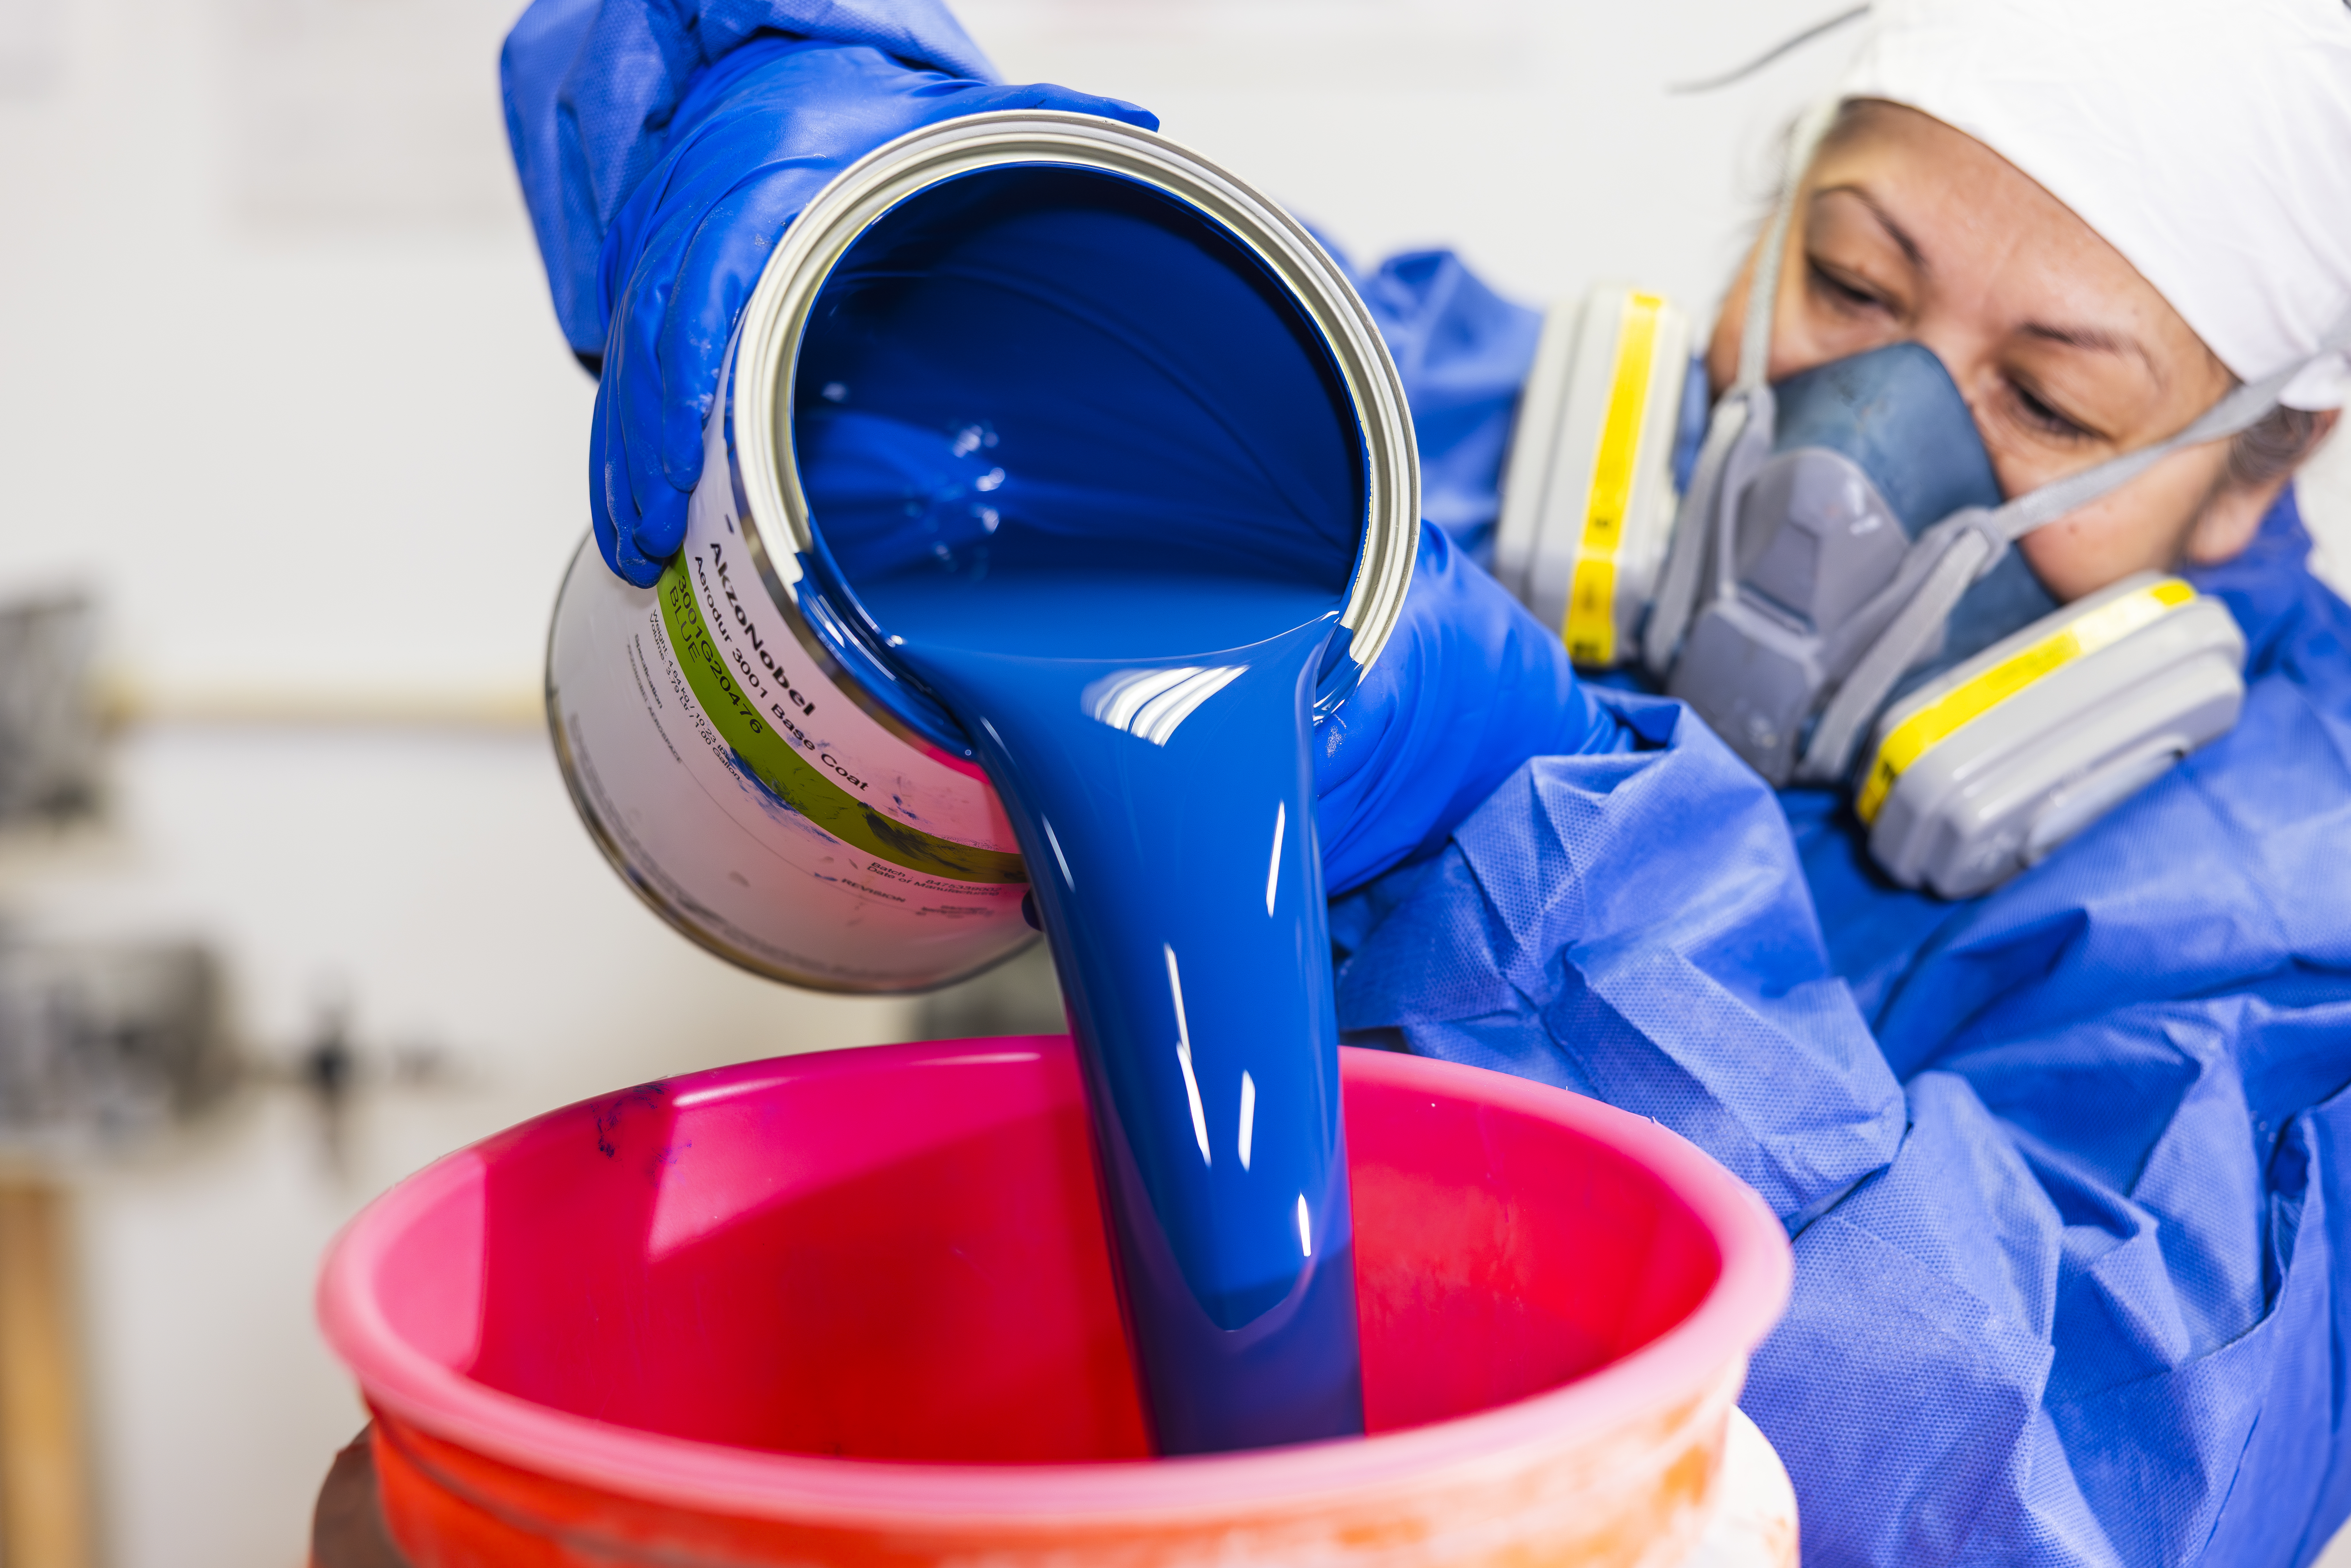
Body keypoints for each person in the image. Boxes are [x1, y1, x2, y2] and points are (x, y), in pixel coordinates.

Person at [501, 0, 2351, 1559]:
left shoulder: (2296, 940)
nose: (1865, 448)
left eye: (2052, 403)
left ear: (2257, 468)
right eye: (1853, 281)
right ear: (1773, 218)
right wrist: (796, 91)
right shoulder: (1424, 450)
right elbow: (1054, 292)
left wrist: (1530, 833)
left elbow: (2015, 1487)